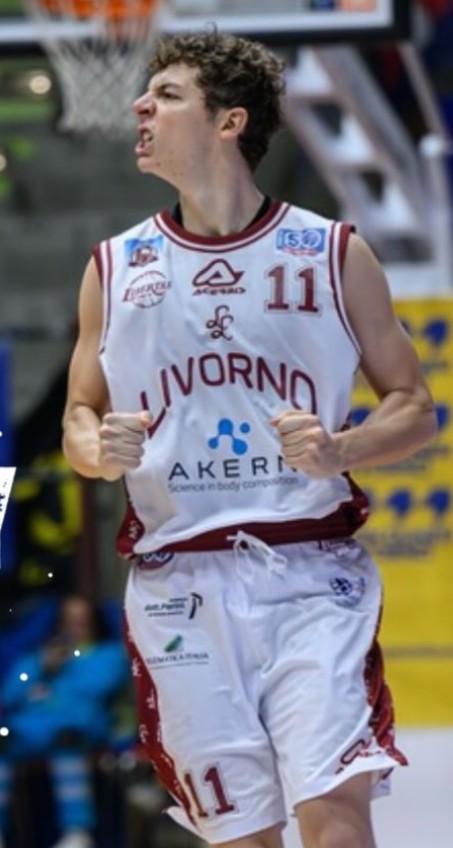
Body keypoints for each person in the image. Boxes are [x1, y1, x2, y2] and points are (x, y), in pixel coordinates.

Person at [61, 29, 437, 848]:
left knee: (333, 813)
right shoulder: (113, 267)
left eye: (167, 95)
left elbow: (414, 407)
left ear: (230, 121)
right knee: (241, 836)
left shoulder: (333, 252)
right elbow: (77, 421)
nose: (140, 105)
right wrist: (96, 449)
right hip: (177, 584)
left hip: (308, 575)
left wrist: (340, 449)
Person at [0, 594, 129, 848]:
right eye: (69, 621)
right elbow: (10, 694)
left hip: (80, 726)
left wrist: (56, 679)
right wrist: (41, 667)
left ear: (94, 623)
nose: (74, 628)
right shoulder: (37, 658)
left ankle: (77, 831)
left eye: (81, 621)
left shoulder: (109, 654)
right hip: (28, 729)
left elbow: (97, 687)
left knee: (67, 740)